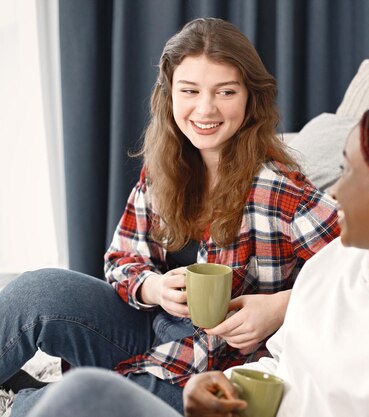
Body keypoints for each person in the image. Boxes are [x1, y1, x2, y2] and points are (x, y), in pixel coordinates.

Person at [22, 101, 369, 417]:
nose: (336, 191)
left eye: (353, 174)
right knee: (77, 381)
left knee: (80, 397)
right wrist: (216, 392)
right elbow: (283, 365)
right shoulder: (336, 266)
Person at [0, 17, 339, 416]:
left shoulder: (283, 192)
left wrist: (283, 306)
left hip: (214, 371)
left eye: (225, 91)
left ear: (250, 98)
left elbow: (360, 273)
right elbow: (122, 258)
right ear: (170, 95)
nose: (206, 108)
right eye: (190, 91)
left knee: (70, 403)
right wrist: (154, 288)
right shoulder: (165, 169)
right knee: (35, 290)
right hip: (153, 331)